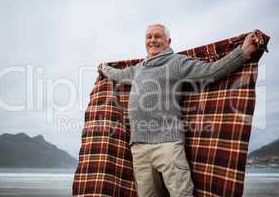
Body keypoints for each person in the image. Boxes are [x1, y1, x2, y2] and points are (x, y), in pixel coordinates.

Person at [99, 24, 258, 197]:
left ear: (168, 41)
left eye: (157, 36)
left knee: (181, 194)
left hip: (167, 145)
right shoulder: (138, 68)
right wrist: (104, 69)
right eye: (149, 37)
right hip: (139, 148)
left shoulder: (176, 62)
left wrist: (242, 52)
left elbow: (211, 71)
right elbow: (118, 75)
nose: (152, 40)